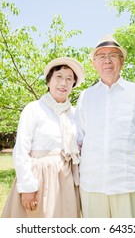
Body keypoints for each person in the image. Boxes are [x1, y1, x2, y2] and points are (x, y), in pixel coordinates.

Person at [75, 34, 135, 218]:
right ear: (94, 63)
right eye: (101, 56)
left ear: (122, 61)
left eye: (113, 55)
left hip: (127, 180)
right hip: (92, 181)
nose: (107, 61)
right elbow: (78, 139)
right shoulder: (85, 97)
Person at [1, 57, 85, 218]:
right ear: (48, 82)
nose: (64, 83)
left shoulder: (75, 113)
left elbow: (81, 145)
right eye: (59, 77)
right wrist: (27, 187)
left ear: (73, 85)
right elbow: (21, 150)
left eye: (69, 79)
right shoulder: (33, 109)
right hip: (39, 178)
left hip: (66, 179)